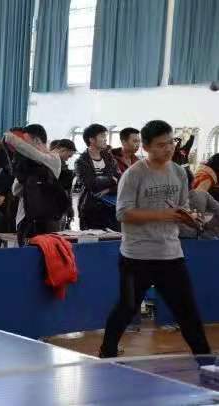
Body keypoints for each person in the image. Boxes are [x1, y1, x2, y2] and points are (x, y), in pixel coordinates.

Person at [99, 120, 211, 358]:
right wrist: (165, 215)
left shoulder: (179, 172)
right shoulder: (134, 175)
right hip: (136, 256)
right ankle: (106, 354)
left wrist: (190, 219)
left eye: (170, 143)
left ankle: (206, 362)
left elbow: (181, 207)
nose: (168, 148)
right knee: (127, 308)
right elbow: (123, 213)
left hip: (170, 254)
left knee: (187, 312)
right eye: (161, 145)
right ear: (147, 147)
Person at [5, 125, 66, 245]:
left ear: (37, 140)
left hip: (48, 220)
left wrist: (14, 141)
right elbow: (15, 191)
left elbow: (38, 156)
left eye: (26, 143)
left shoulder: (53, 159)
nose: (25, 149)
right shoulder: (27, 164)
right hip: (25, 219)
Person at [75, 124, 120, 231]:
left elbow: (120, 181)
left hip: (111, 208)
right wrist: (111, 179)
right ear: (91, 139)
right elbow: (91, 184)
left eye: (106, 136)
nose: (105, 139)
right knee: (91, 238)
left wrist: (109, 189)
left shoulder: (110, 159)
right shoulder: (81, 161)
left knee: (113, 238)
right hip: (91, 208)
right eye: (102, 136)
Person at [50, 139, 77, 230]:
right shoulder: (52, 161)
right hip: (53, 205)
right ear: (63, 150)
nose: (68, 158)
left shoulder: (61, 163)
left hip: (59, 203)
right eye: (69, 156)